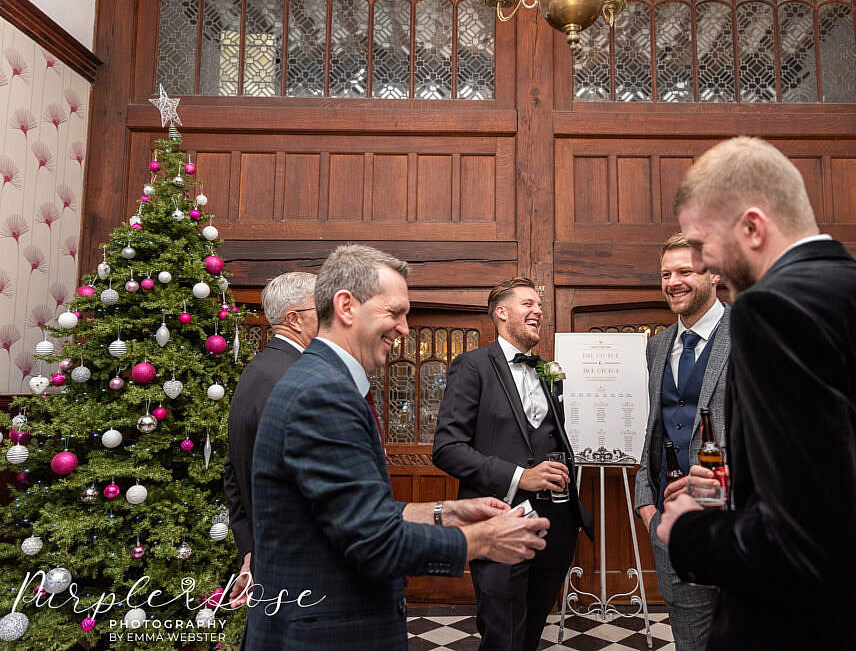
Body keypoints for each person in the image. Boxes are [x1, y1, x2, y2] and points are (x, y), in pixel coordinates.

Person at [657, 137, 856, 649]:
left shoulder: (773, 310)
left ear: (753, 227)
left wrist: (688, 532)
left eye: (702, 244)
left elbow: (808, 547)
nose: (704, 265)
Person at [248, 245, 548, 650]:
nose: (405, 329)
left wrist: (445, 512)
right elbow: (374, 541)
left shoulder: (323, 379)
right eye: (395, 312)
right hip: (327, 632)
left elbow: (352, 512)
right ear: (346, 306)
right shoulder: (322, 393)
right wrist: (484, 539)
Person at [433, 277, 594, 651]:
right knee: (501, 632)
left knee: (532, 630)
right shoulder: (472, 366)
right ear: (501, 313)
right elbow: (447, 448)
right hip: (498, 521)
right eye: (528, 304)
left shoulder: (546, 370)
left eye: (540, 305)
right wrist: (523, 477)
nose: (538, 310)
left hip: (555, 524)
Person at [634, 234, 730, 651]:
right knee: (690, 640)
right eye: (666, 274)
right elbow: (654, 426)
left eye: (685, 271)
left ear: (714, 274)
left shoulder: (752, 334)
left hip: (736, 521)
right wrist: (645, 502)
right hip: (669, 523)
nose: (673, 282)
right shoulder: (657, 346)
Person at [224, 271, 318, 610]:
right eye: (320, 307)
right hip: (302, 559)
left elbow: (233, 473)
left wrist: (250, 550)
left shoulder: (259, 368)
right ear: (294, 319)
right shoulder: (296, 377)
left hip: (271, 552)